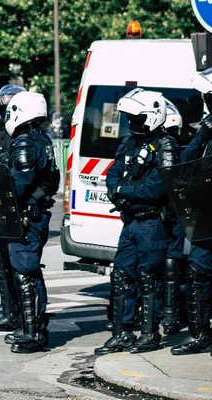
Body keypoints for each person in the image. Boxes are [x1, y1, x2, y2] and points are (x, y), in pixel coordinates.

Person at [94, 88, 180, 356]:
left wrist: (122, 191)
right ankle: (122, 333)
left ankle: (149, 333)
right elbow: (113, 174)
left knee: (147, 278)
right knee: (120, 275)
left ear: (152, 116)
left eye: (136, 117)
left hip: (152, 223)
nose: (131, 123)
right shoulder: (128, 142)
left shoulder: (167, 147)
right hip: (130, 222)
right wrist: (118, 191)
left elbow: (156, 189)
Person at [0, 91, 58, 353]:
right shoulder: (42, 139)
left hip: (26, 217)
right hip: (34, 214)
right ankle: (28, 326)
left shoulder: (24, 143)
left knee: (26, 273)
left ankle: (34, 334)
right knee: (27, 271)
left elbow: (17, 185)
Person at [169, 72, 212, 355]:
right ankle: (200, 335)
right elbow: (186, 160)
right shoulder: (209, 126)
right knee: (197, 271)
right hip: (207, 215)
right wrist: (203, 134)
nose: (206, 101)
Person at [0, 84, 26, 333]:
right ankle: (9, 312)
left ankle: (24, 315)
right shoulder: (4, 133)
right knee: (2, 261)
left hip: (19, 209)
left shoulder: (25, 137)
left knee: (20, 264)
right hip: (3, 205)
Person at [160, 98, 185, 336]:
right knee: (168, 263)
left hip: (169, 213)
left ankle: (167, 315)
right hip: (166, 213)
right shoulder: (178, 149)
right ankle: (167, 315)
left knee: (166, 263)